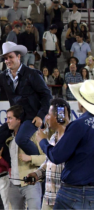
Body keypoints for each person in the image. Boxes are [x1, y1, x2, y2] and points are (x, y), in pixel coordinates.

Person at [0, 41, 52, 156]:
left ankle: (40, 164)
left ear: (18, 56)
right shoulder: (4, 76)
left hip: (31, 117)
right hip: (15, 118)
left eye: (10, 57)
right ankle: (9, 166)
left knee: (21, 139)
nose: (8, 60)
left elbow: (47, 95)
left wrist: (40, 115)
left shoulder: (32, 74)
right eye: (5, 58)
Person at [37, 80, 94, 210]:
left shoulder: (78, 125)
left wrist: (43, 141)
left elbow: (57, 156)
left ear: (81, 103)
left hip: (74, 192)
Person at [27, 98, 70, 210]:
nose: (46, 118)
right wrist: (37, 174)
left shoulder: (71, 138)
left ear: (59, 116)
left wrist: (42, 141)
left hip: (65, 200)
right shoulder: (53, 137)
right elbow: (48, 161)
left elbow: (57, 157)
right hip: (49, 199)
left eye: (48, 114)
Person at [6, 105, 45, 210]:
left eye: (10, 118)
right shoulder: (9, 139)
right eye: (6, 118)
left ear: (18, 120)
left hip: (31, 182)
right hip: (13, 184)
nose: (7, 121)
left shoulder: (34, 135)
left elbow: (46, 158)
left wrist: (30, 158)